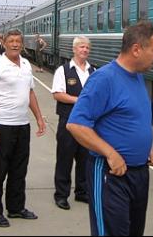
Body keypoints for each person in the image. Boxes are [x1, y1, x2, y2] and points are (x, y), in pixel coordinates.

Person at [66, 21, 153, 236]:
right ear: (136, 49)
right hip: (111, 174)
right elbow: (76, 124)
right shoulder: (104, 78)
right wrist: (110, 153)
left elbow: (134, 117)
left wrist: (148, 145)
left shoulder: (138, 77)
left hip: (139, 173)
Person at [0, 30, 47, 228]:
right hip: (2, 125)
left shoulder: (26, 64)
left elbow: (30, 93)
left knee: (19, 169)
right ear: (5, 43)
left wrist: (39, 118)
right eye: (11, 41)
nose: (15, 44)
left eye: (18, 41)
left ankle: (16, 208)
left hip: (22, 125)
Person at [51, 36, 95, 210]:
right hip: (68, 121)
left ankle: (82, 192)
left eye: (87, 48)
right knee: (65, 158)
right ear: (74, 49)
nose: (85, 50)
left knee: (85, 159)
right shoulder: (63, 70)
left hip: (87, 124)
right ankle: (61, 195)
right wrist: (79, 100)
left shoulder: (93, 71)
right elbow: (57, 94)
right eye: (82, 47)